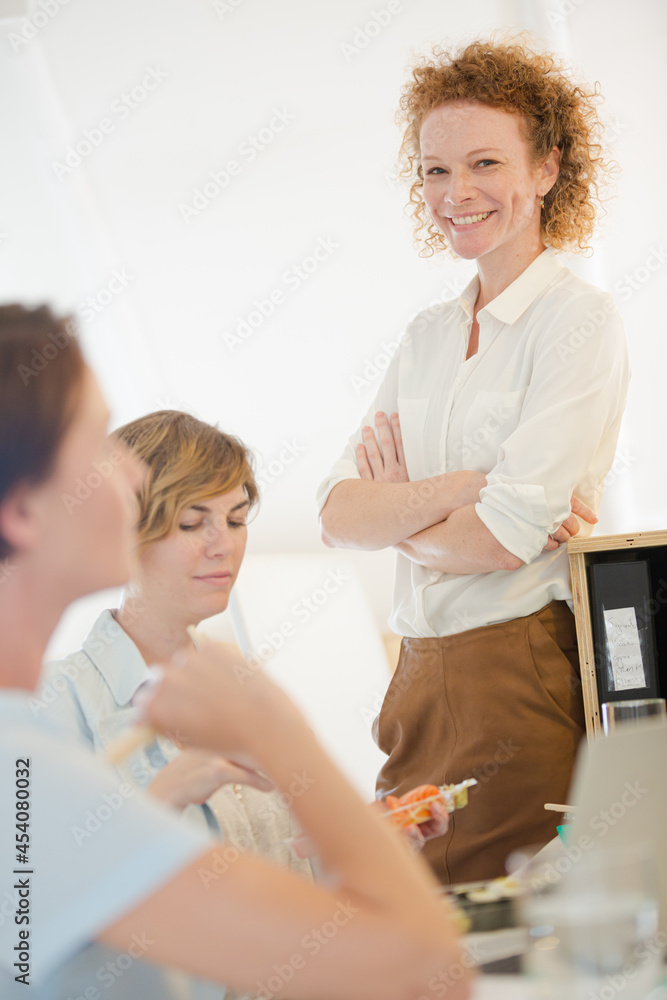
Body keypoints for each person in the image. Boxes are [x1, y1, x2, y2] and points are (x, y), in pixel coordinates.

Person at [0, 304, 470, 998]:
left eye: (234, 518)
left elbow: (278, 916)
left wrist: (361, 838)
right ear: (20, 512)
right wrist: (281, 736)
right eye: (98, 443)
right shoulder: (32, 766)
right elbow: (425, 969)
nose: (130, 475)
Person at [318, 37, 630, 885]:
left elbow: (500, 538)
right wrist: (456, 490)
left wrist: (403, 514)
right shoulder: (423, 337)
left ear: (546, 170)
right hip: (413, 680)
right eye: (433, 171)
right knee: (412, 914)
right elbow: (335, 515)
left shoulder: (577, 324)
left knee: (501, 935)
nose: (454, 194)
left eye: (484, 162)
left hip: (513, 671)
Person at [39, 410, 313, 881]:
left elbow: (287, 867)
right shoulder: (54, 704)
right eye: (191, 523)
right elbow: (30, 913)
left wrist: (366, 840)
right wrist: (165, 795)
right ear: (123, 529)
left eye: (236, 519)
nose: (223, 544)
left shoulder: (242, 686)